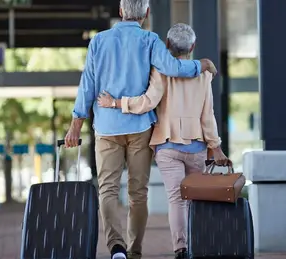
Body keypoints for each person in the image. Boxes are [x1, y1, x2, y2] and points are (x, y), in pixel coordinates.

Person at [63, 0, 218, 258]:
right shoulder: (150, 40)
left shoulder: (98, 42)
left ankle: (116, 247)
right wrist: (200, 65)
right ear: (146, 13)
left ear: (121, 11)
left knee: (108, 189)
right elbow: (172, 68)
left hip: (107, 128)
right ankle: (134, 251)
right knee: (138, 193)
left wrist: (75, 126)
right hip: (140, 128)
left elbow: (86, 85)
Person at [95, 23, 231, 259]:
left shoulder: (160, 71)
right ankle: (196, 244)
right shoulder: (203, 74)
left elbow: (147, 102)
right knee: (193, 200)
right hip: (196, 145)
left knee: (176, 199)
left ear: (167, 45)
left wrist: (116, 103)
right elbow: (207, 115)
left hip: (167, 145)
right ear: (193, 46)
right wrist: (215, 145)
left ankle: (180, 248)